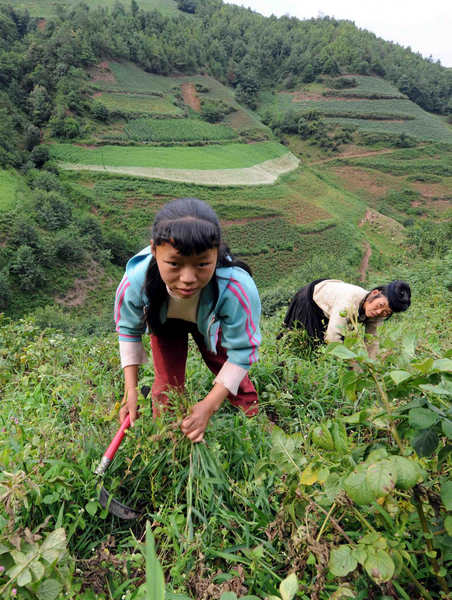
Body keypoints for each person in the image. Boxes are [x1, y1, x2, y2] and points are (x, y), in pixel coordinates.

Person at [114, 197, 261, 443]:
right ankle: (172, 437)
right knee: (166, 385)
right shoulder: (136, 280)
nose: (188, 278)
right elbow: (128, 330)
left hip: (211, 318)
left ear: (216, 252)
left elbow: (242, 351)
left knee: (223, 361)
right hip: (165, 321)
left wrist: (209, 405)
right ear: (153, 250)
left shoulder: (235, 287)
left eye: (202, 264)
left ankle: (253, 422)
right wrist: (131, 391)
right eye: (174, 264)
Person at [281, 279, 411, 358]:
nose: (378, 312)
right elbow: (333, 337)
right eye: (380, 305)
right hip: (312, 299)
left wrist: (373, 367)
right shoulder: (348, 302)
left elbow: (372, 341)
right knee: (307, 344)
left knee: (324, 345)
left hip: (331, 299)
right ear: (375, 293)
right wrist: (348, 362)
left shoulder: (378, 312)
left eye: (386, 312)